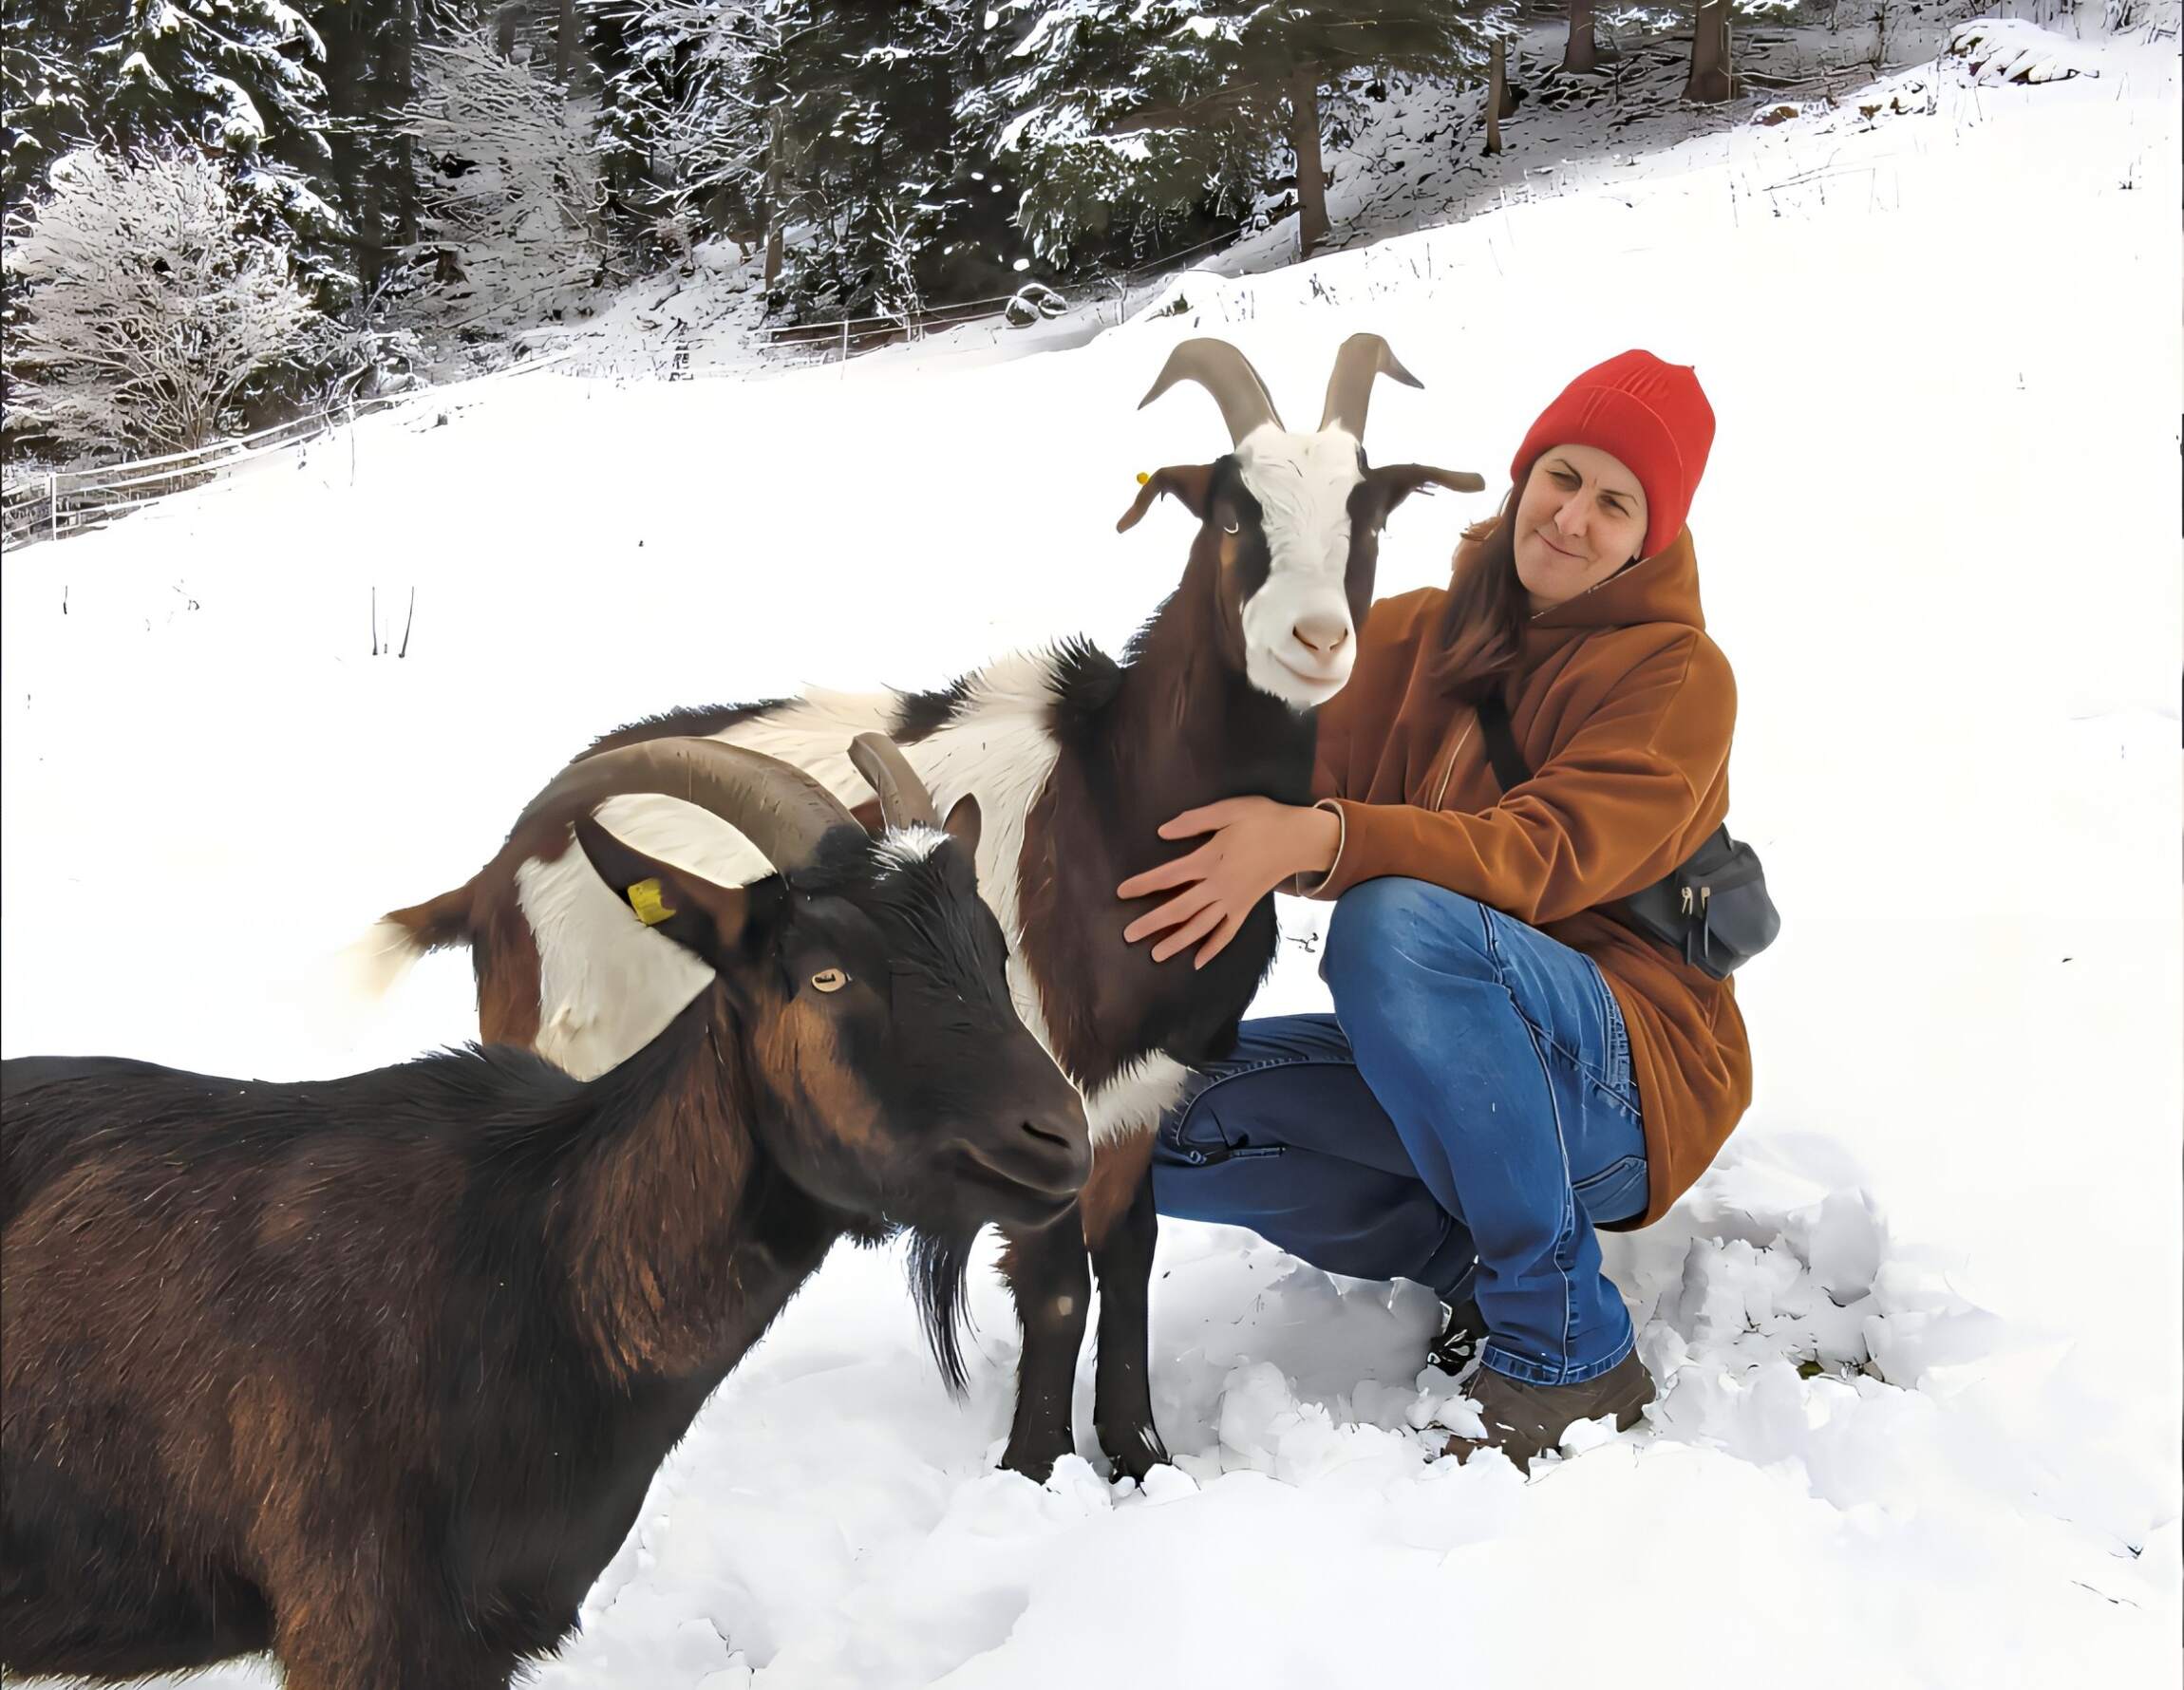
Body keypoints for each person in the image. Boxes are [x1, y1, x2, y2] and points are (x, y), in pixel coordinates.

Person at [1119, 349, 1751, 1470]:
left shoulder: (1674, 676)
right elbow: (1242, 751)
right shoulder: (1419, 633)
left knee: (1395, 921)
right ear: (1524, 474)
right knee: (1136, 1130)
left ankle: (1565, 1345)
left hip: (1624, 1082)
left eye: (1616, 503)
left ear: (1650, 535)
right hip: (1444, 1064)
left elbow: (1543, 855)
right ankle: (1469, 1260)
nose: (1571, 518)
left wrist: (1324, 839)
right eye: (1562, 477)